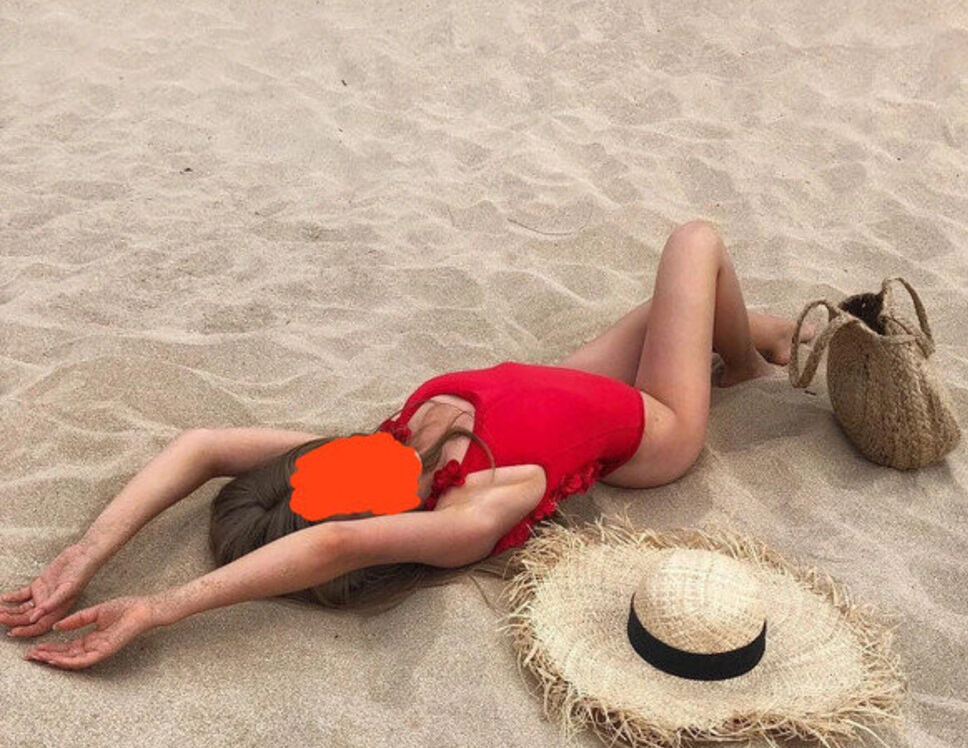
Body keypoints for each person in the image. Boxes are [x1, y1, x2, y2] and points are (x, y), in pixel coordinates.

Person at [1, 220, 816, 670]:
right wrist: (162, 605)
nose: (332, 449)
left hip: (560, 388)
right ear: (370, 513)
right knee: (694, 244)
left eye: (313, 459)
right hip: (649, 430)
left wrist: (86, 553)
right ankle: (747, 365)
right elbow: (334, 544)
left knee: (664, 308)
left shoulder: (383, 451)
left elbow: (203, 445)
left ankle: (763, 339)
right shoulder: (466, 512)